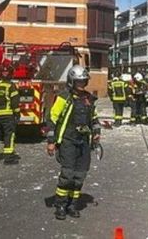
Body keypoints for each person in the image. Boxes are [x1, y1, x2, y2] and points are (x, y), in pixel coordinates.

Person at [45, 65, 101, 220]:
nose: (81, 84)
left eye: (83, 81)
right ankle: (60, 205)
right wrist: (51, 141)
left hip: (83, 142)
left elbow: (94, 118)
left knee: (80, 175)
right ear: (71, 81)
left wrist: (96, 133)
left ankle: (72, 205)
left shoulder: (89, 99)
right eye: (78, 82)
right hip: (68, 141)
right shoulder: (64, 97)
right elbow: (52, 119)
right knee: (68, 175)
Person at [0, 68, 21, 164]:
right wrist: (17, 114)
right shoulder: (10, 86)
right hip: (7, 115)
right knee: (9, 135)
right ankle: (9, 157)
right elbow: (15, 102)